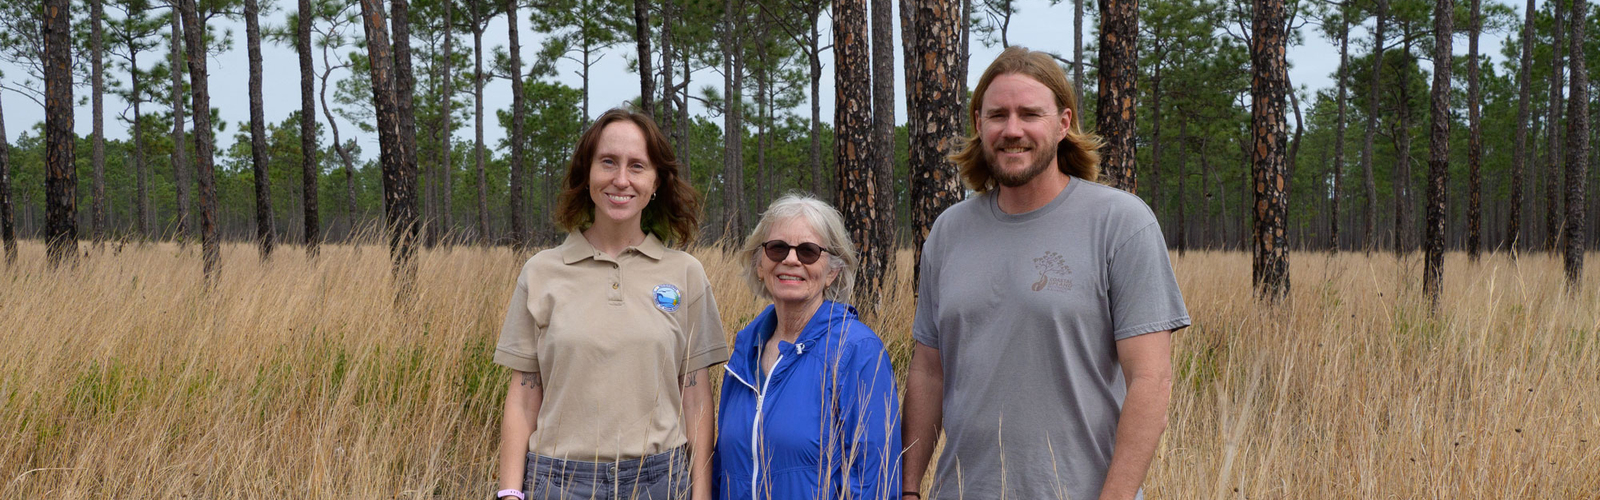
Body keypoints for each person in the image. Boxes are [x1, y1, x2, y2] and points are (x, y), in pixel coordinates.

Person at [900, 46, 1191, 500]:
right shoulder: (949, 231)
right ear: (979, 125)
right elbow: (928, 371)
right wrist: (909, 487)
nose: (1012, 130)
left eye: (1030, 114)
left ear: (1062, 123)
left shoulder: (1120, 223)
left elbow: (1151, 381)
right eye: (997, 114)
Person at [493, 109, 728, 500]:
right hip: (558, 481)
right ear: (587, 175)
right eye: (608, 162)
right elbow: (522, 396)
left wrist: (701, 494)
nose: (621, 179)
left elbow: (696, 398)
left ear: (656, 182)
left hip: (659, 480)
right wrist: (509, 493)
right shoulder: (541, 272)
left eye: (637, 166)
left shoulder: (686, 274)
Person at [714, 194, 902, 500]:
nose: (790, 260)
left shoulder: (858, 351)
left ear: (832, 271)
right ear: (760, 264)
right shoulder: (745, 351)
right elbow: (722, 470)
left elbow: (875, 482)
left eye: (808, 251)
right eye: (777, 248)